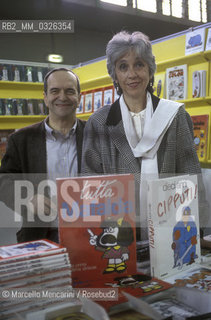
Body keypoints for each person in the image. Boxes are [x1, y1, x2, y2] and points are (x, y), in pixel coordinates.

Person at [81, 31, 208, 241]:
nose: (132, 74)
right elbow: (89, 184)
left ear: (150, 69)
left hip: (171, 230)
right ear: (115, 74)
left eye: (139, 64)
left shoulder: (175, 116)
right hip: (120, 233)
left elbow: (192, 179)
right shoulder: (99, 122)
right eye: (123, 66)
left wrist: (197, 231)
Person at [0, 68, 85, 243]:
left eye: (70, 91)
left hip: (90, 236)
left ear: (79, 98)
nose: (62, 97)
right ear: (45, 97)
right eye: (55, 91)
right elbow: (4, 180)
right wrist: (27, 198)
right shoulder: (21, 139)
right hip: (40, 237)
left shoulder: (95, 134)